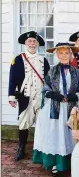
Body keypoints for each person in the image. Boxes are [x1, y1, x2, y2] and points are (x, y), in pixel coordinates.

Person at [32, 43, 79, 175]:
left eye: (67, 53)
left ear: (70, 55)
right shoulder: (52, 71)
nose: (64, 56)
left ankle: (71, 162)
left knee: (69, 134)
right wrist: (54, 95)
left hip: (70, 108)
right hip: (55, 108)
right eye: (61, 53)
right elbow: (45, 90)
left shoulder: (76, 72)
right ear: (57, 55)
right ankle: (55, 163)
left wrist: (74, 96)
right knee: (56, 134)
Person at [8, 31, 50, 161]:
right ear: (25, 43)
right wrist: (11, 96)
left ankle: (41, 149)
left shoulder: (43, 60)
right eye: (30, 41)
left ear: (37, 44)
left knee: (42, 124)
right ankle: (22, 148)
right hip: (25, 96)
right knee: (23, 123)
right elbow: (12, 79)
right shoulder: (18, 59)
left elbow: (48, 79)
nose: (32, 44)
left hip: (41, 98)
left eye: (34, 41)